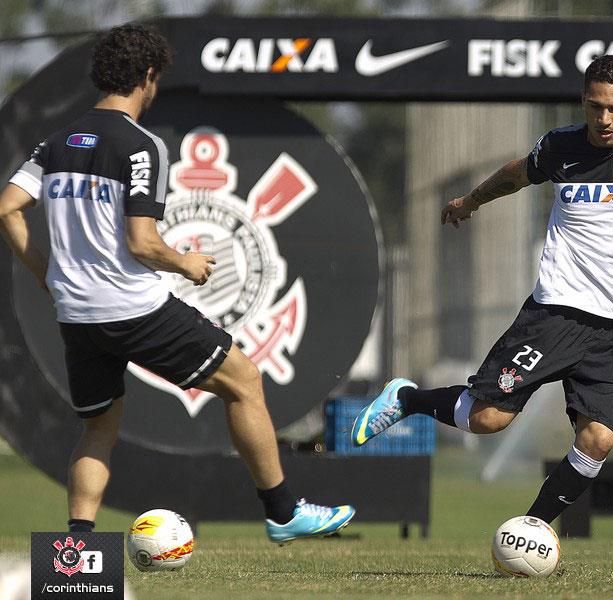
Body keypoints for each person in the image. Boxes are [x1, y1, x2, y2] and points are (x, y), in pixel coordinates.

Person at [352, 54, 613, 524]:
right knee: (487, 420)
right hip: (554, 313)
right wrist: (471, 200)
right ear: (583, 101)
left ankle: (530, 529)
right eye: (595, 106)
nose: (604, 118)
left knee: (598, 439)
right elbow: (518, 173)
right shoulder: (561, 147)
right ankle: (407, 398)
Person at [0, 24, 353, 543]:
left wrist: (48, 276)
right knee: (244, 380)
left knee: (98, 426)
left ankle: (77, 543)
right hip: (131, 307)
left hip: (77, 315)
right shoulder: (140, 146)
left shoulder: (57, 142)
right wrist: (184, 263)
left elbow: (8, 206)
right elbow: (142, 244)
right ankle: (283, 512)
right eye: (156, 80)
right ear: (146, 77)